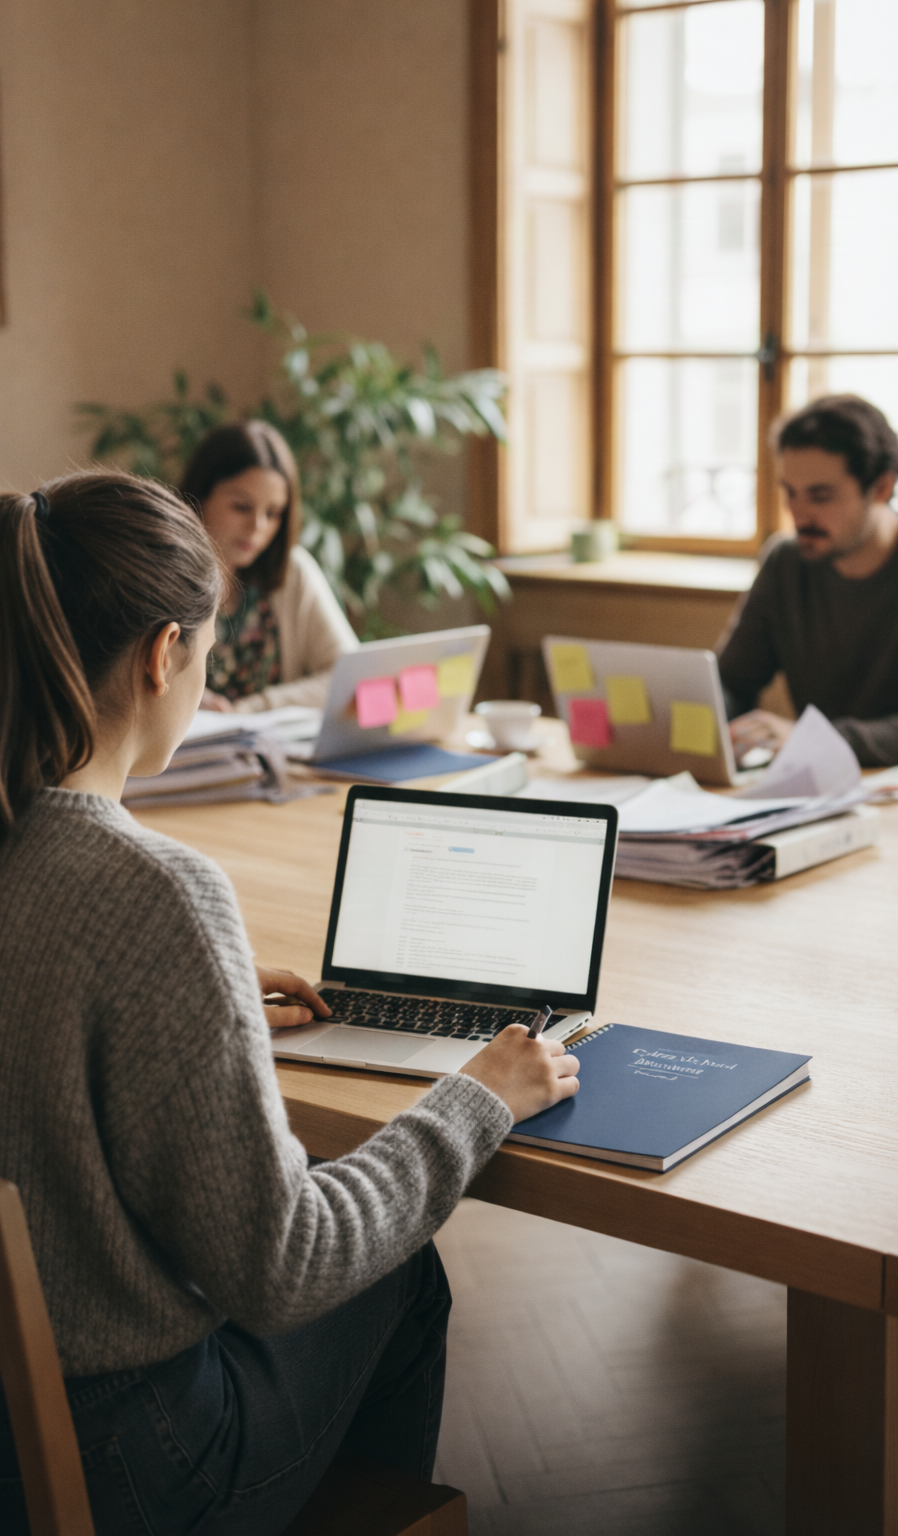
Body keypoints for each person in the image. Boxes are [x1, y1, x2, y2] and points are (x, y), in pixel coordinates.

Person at [0, 471, 579, 1535]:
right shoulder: (157, 892)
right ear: (164, 652)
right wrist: (474, 1097)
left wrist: (198, 998)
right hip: (129, 1461)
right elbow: (285, 1268)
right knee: (401, 1274)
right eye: (208, 653)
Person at [717, 395, 898, 768]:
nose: (799, 514)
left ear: (881, 488)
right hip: (828, 790)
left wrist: (814, 740)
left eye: (821, 496)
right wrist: (702, 720)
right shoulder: (786, 562)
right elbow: (733, 682)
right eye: (790, 492)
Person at [180, 420, 359, 713]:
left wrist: (254, 708)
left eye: (274, 513)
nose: (257, 527)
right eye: (241, 507)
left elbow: (349, 676)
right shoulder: (155, 574)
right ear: (199, 495)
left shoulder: (293, 571)